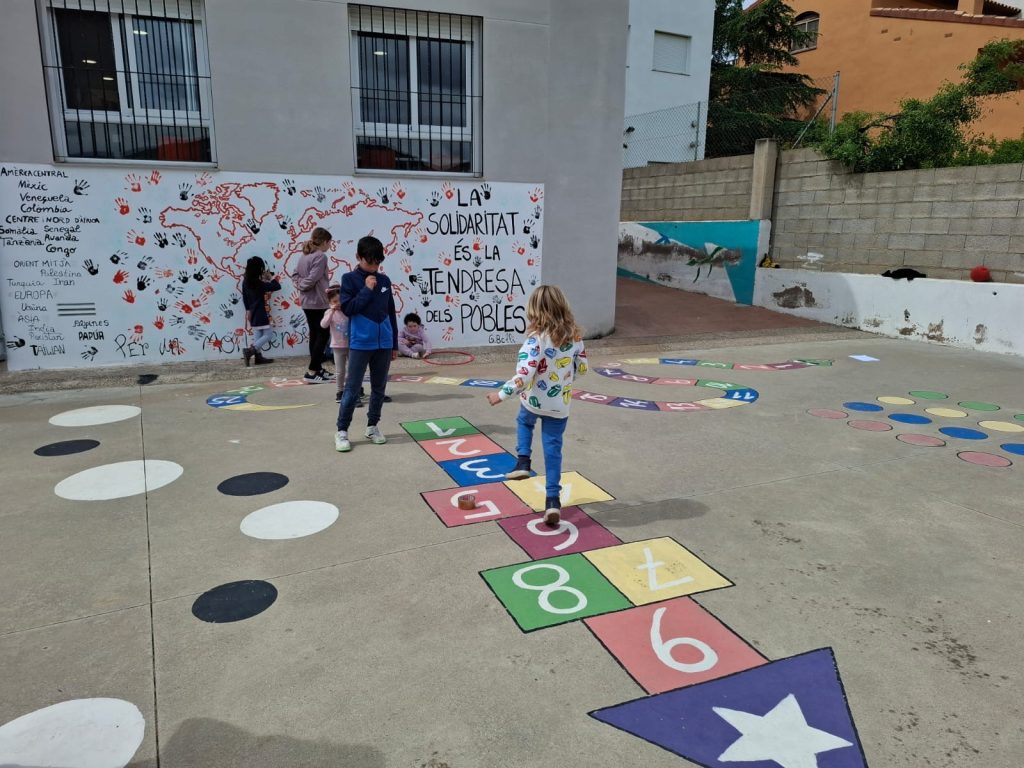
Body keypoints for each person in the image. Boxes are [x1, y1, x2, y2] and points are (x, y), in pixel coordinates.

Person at [487, 285, 588, 527]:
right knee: (553, 451)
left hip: (533, 401)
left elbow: (524, 374)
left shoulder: (536, 340)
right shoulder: (575, 337)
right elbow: (583, 368)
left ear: (534, 312)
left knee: (524, 421)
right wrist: (565, 378)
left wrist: (501, 394)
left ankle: (523, 461)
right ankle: (552, 501)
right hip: (559, 405)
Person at [334, 236, 399, 452]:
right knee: (352, 389)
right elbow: (348, 309)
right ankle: (342, 430)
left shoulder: (385, 281)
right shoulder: (349, 279)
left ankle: (372, 426)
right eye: (369, 262)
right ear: (358, 257)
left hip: (384, 343)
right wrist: (366, 289)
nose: (373, 267)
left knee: (379, 388)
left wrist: (394, 343)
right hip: (360, 343)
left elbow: (390, 312)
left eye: (377, 263)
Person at [293, 226, 333, 384]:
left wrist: (300, 285)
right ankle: (312, 371)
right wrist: (303, 286)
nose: (330, 246)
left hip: (306, 302)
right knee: (322, 335)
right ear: (325, 242)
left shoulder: (304, 255)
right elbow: (313, 278)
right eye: (330, 242)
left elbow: (295, 275)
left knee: (315, 335)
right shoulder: (320, 256)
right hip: (318, 301)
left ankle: (317, 370)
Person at [241, 256, 281, 366]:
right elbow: (277, 286)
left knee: (258, 334)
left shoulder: (245, 282)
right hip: (262, 312)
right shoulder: (259, 284)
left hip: (253, 312)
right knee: (268, 334)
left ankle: (258, 357)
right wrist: (271, 277)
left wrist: (248, 310)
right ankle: (250, 351)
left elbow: (245, 297)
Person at [320, 286, 354, 404]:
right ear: (330, 302)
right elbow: (323, 325)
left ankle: (355, 389)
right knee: (340, 371)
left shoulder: (348, 311)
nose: (338, 303)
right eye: (334, 301)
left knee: (353, 370)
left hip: (351, 345)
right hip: (337, 346)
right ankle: (340, 391)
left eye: (340, 300)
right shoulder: (329, 312)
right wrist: (332, 311)